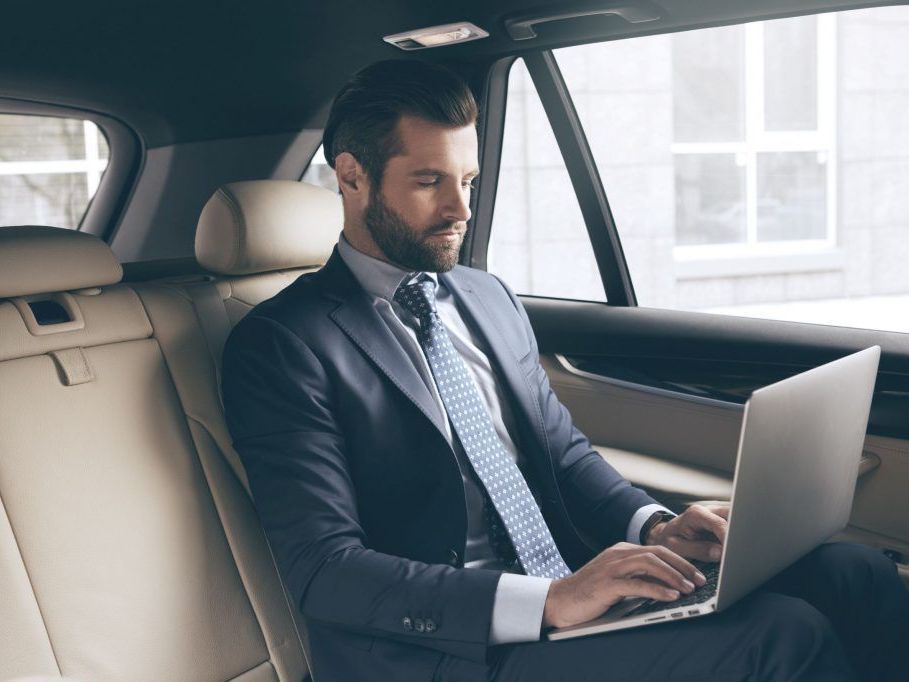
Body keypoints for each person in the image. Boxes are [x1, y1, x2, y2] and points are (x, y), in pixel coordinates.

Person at [221, 59, 909, 682]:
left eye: (467, 181)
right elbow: (324, 570)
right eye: (429, 182)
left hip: (566, 590)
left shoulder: (484, 297)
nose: (459, 210)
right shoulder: (283, 344)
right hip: (448, 650)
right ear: (350, 177)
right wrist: (549, 601)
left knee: (852, 574)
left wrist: (651, 529)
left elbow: (560, 451)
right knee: (778, 638)